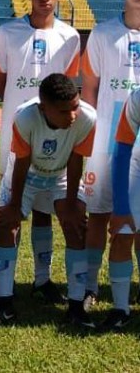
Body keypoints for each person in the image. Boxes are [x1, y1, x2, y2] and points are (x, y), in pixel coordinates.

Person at [0, 0, 80, 305]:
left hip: (52, 134)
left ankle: (43, 279)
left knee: (45, 207)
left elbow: (67, 86)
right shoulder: (7, 33)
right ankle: (5, 283)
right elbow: (0, 82)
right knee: (11, 206)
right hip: (15, 134)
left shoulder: (69, 37)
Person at [0, 73, 97, 329]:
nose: (72, 115)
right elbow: (22, 163)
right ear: (44, 107)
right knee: (5, 224)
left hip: (60, 176)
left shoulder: (87, 117)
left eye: (75, 106)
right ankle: (4, 304)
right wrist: (14, 207)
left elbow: (76, 160)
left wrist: (70, 204)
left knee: (76, 225)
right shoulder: (25, 117)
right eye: (63, 111)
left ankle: (77, 308)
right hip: (28, 174)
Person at [81, 0, 140, 326]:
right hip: (107, 144)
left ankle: (126, 291)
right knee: (99, 217)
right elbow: (89, 91)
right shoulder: (102, 34)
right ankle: (88, 285)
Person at [108, 88, 140, 330]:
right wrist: (120, 208)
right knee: (124, 233)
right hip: (136, 163)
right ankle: (120, 308)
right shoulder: (138, 97)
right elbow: (121, 151)